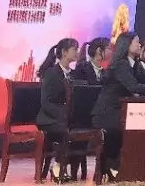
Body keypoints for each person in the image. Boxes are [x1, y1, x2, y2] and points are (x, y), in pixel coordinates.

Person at [91, 32, 145, 177]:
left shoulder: (134, 64)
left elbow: (140, 86)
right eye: (137, 42)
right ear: (127, 45)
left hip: (122, 111)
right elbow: (133, 86)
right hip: (108, 113)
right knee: (138, 125)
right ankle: (116, 164)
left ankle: (141, 166)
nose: (140, 45)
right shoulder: (121, 64)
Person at [36, 38, 80, 181]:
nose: (77, 52)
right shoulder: (51, 73)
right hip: (49, 117)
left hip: (67, 117)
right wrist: (63, 114)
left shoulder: (74, 74)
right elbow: (46, 102)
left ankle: (67, 167)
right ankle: (58, 166)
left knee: (79, 128)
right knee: (64, 130)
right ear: (64, 52)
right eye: (74, 49)